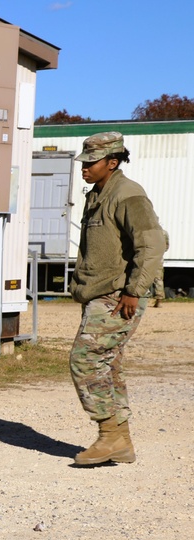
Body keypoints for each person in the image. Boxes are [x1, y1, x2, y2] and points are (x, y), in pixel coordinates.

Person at [70, 132, 167, 466]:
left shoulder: (127, 194)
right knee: (107, 365)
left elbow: (152, 244)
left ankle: (109, 435)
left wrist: (133, 290)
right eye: (83, 163)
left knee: (85, 360)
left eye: (90, 163)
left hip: (118, 294)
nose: (83, 169)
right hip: (103, 292)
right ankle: (119, 441)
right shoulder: (98, 194)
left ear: (112, 162)